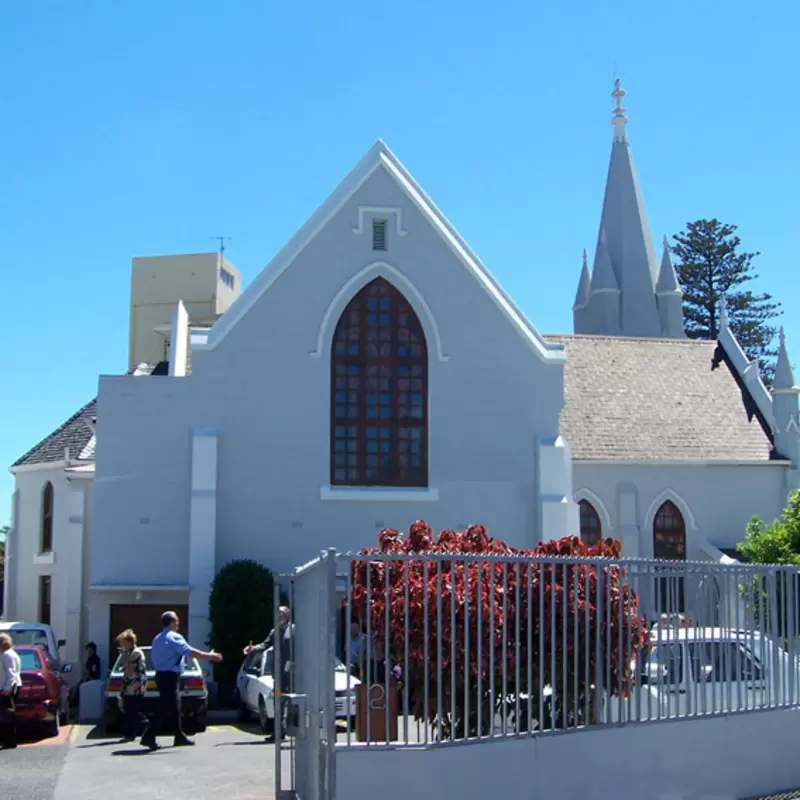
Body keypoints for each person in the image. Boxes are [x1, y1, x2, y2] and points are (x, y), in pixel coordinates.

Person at [140, 611, 221, 751]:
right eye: (176, 621)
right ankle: (148, 736)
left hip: (160, 675)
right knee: (165, 707)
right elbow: (190, 652)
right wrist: (211, 656)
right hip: (169, 676)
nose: (178, 624)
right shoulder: (174, 637)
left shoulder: (157, 638)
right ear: (171, 622)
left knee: (174, 707)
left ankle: (179, 736)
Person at [242, 606, 293, 685]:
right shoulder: (274, 632)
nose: (278, 615)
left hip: (292, 672)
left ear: (287, 615)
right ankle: (277, 696)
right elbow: (265, 645)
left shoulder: (293, 629)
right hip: (278, 672)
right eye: (276, 613)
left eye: (280, 613)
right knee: (277, 694)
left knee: (290, 694)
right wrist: (253, 648)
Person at [116, 629, 147, 742]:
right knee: (129, 710)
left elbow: (129, 668)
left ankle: (140, 729)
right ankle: (132, 732)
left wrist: (124, 656)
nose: (122, 645)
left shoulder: (136, 653)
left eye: (123, 643)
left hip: (135, 685)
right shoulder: (129, 653)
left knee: (133, 710)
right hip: (128, 685)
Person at [0, 633, 22, 750]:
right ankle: (9, 740)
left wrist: (7, 689)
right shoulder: (13, 654)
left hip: (7, 688)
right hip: (11, 686)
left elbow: (11, 674)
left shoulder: (6, 655)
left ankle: (9, 741)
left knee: (6, 715)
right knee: (7, 715)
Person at [71, 641, 102, 711]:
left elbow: (94, 671)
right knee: (76, 687)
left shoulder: (95, 660)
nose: (89, 652)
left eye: (90, 650)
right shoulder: (89, 659)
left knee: (79, 687)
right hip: (88, 677)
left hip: (92, 678)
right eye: (88, 650)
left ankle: (75, 704)